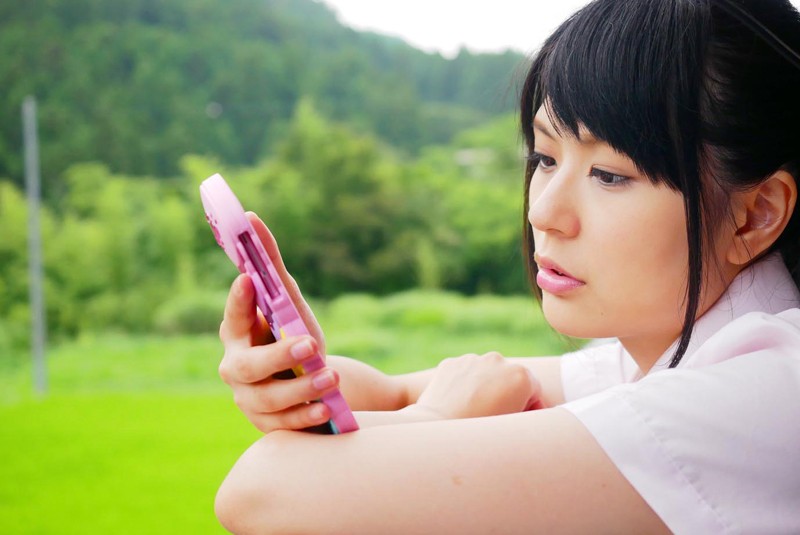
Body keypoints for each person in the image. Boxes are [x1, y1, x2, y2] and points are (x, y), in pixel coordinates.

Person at [213, 0, 800, 532]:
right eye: (545, 157)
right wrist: (298, 374)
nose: (544, 212)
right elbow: (391, 393)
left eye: (609, 175)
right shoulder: (673, 353)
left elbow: (263, 492)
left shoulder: (762, 398)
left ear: (755, 216)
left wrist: (435, 418)